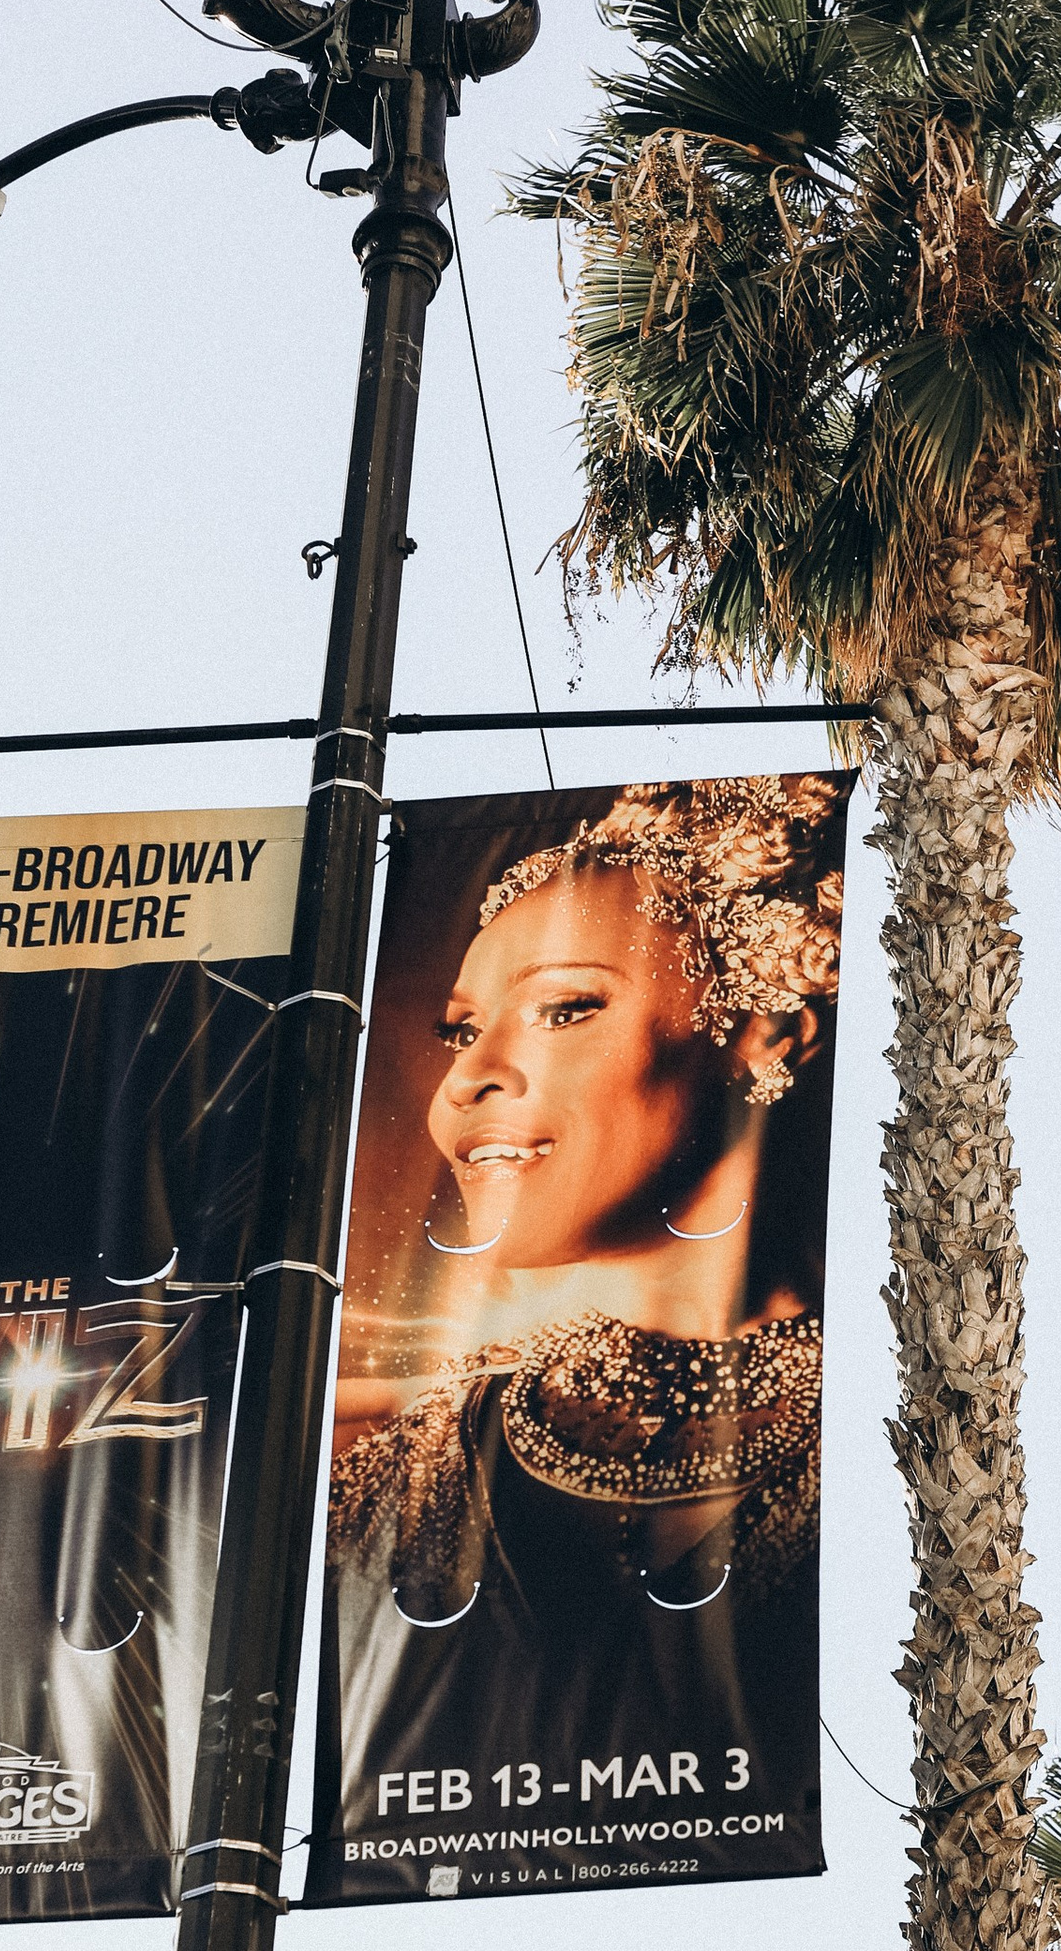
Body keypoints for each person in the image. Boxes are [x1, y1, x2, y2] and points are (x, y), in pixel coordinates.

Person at [324, 778, 844, 1888]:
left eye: (565, 1008)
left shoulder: (902, 1441)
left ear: (764, 1032)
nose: (470, 1078)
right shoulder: (411, 1468)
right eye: (462, 1029)